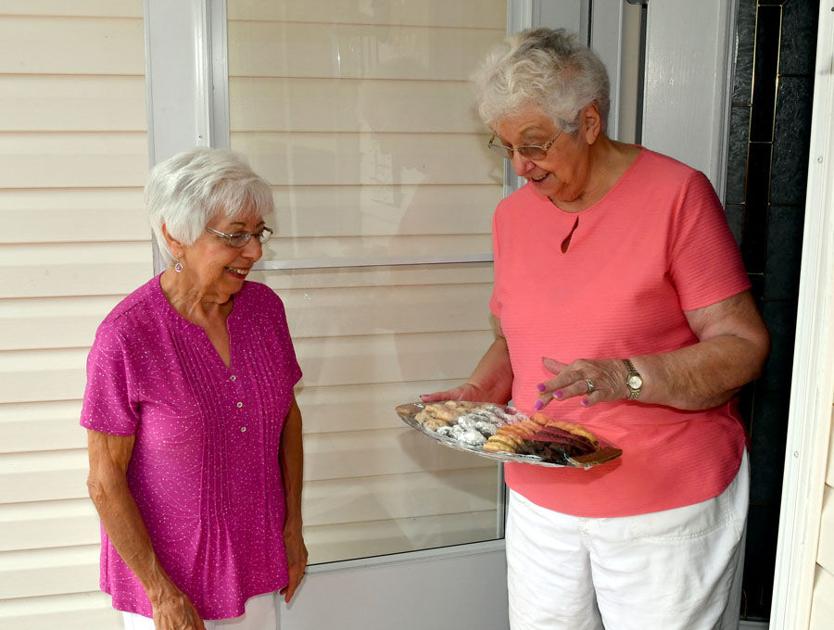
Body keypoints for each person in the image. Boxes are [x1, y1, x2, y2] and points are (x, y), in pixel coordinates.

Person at [422, 28, 769, 630]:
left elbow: (742, 347)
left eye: (533, 144)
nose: (520, 166)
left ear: (587, 121)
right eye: (504, 146)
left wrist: (628, 376)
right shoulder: (512, 217)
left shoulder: (677, 196)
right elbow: (514, 338)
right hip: (541, 494)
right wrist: (480, 392)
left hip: (662, 504)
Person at [82, 148, 306, 630]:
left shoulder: (264, 311)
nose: (255, 252)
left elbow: (287, 417)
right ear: (174, 235)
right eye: (235, 236)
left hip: (255, 563)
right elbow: (104, 481)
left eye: (258, 233)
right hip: (168, 585)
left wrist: (292, 528)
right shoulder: (127, 335)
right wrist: (162, 594)